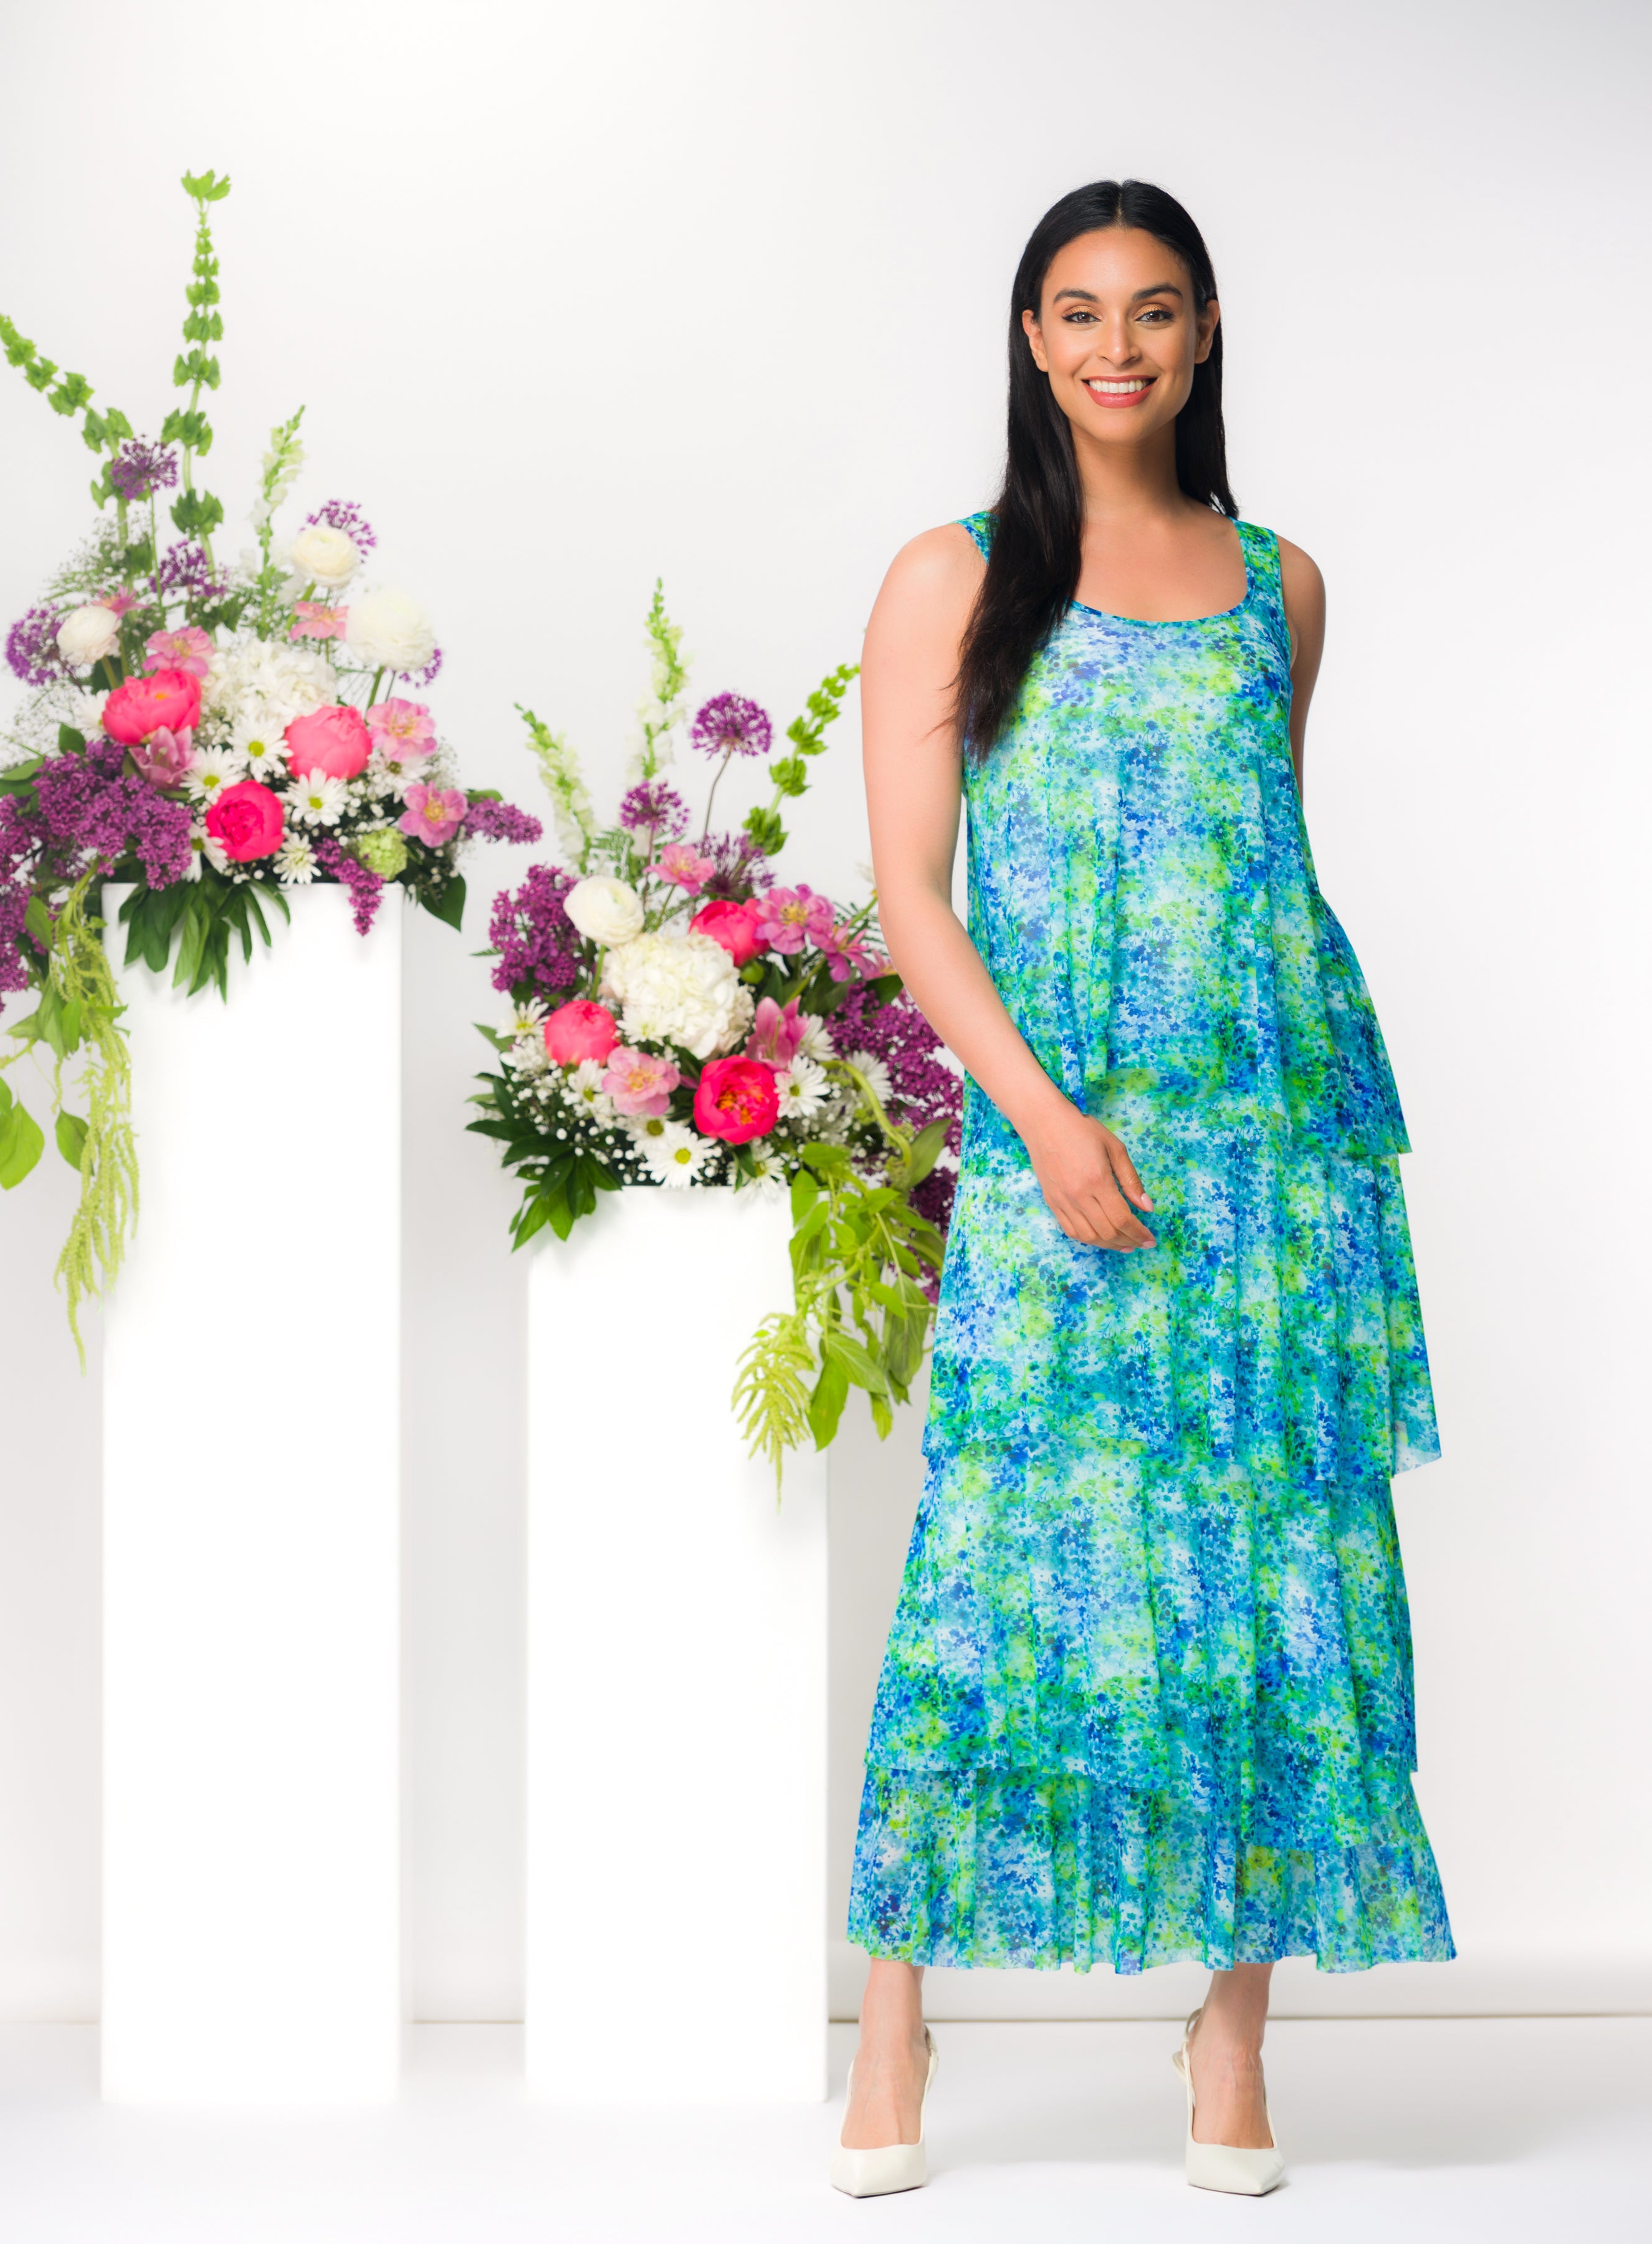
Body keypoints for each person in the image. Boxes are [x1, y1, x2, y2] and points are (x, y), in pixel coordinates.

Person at [833, 179, 1452, 2201]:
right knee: (998, 1552)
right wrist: (1033, 1116)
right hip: (1055, 1131)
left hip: (1270, 1156)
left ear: (1200, 341)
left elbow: (1254, 878)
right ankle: (894, 2017)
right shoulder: (954, 570)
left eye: (1155, 309)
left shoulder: (1283, 584)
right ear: (1029, 338)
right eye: (1078, 308)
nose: (1117, 343)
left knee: (1278, 1572)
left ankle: (1235, 2029)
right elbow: (913, 894)